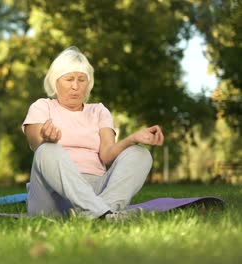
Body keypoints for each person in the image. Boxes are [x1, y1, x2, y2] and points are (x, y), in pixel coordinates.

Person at [22, 46, 164, 220]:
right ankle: (102, 213)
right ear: (55, 81)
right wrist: (45, 139)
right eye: (69, 79)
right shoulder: (42, 106)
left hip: (96, 190)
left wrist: (132, 139)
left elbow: (107, 155)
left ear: (88, 84)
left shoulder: (99, 111)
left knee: (141, 154)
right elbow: (36, 145)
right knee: (47, 149)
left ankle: (99, 214)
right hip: (51, 197)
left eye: (81, 79)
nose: (75, 86)